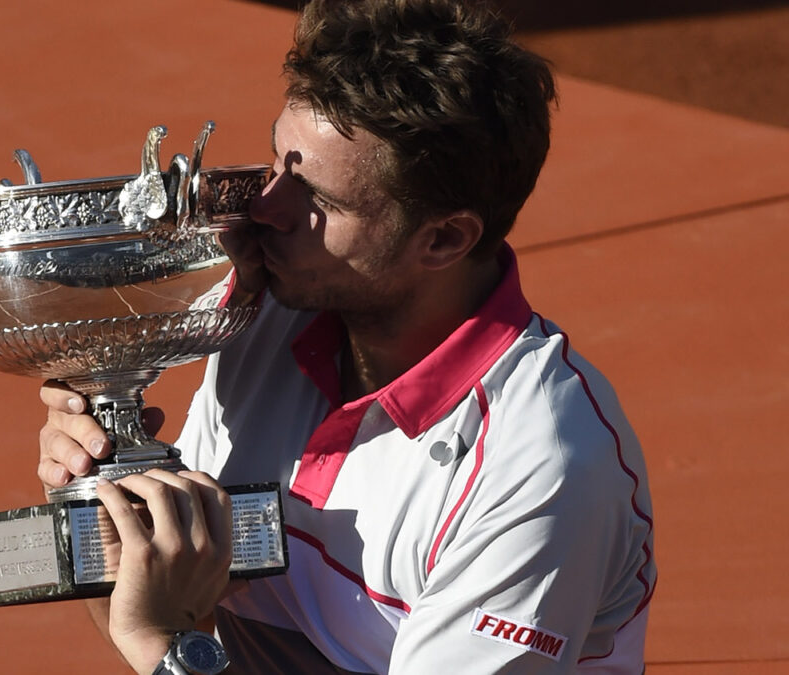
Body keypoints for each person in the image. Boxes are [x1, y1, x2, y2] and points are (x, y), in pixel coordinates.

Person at [38, 0, 656, 672]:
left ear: (444, 238)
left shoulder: (539, 465)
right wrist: (103, 499)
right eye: (277, 160)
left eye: (319, 201)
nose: (266, 209)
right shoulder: (265, 318)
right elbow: (180, 607)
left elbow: (165, 630)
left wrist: (161, 644)